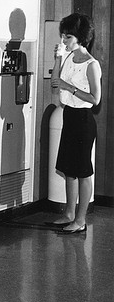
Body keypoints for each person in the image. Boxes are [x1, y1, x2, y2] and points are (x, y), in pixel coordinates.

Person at [47, 13, 101, 234]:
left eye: (67, 37)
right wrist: (58, 57)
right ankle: (69, 213)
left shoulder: (91, 64)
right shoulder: (68, 57)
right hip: (69, 115)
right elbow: (55, 82)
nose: (64, 41)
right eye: (63, 36)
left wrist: (71, 88)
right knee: (69, 169)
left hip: (83, 120)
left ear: (80, 38)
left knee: (83, 171)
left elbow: (95, 99)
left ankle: (80, 220)